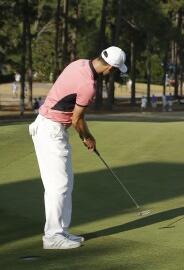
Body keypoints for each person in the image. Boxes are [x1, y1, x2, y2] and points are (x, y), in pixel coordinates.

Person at [28, 46, 127, 250]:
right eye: (115, 70)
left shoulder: (79, 63)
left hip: (51, 127)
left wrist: (84, 134)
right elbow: (77, 119)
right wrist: (88, 137)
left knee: (66, 183)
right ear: (109, 67)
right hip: (50, 130)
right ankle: (52, 236)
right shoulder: (88, 85)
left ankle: (61, 231)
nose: (112, 74)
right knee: (58, 185)